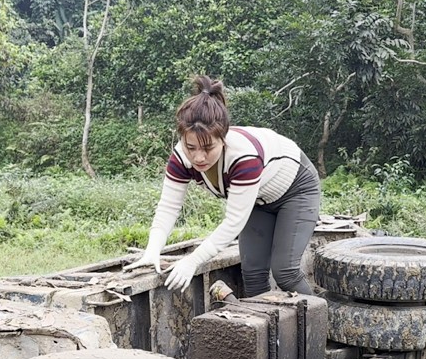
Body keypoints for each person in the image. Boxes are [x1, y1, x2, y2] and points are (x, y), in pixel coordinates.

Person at [125, 75, 321, 296]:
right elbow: (169, 206)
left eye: (208, 148)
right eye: (191, 147)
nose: (198, 157)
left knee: (285, 272)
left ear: (223, 137)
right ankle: (269, 328)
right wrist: (153, 249)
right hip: (258, 200)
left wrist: (192, 261)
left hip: (296, 188)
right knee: (253, 274)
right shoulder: (182, 156)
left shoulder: (243, 157)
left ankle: (319, 328)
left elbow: (233, 222)